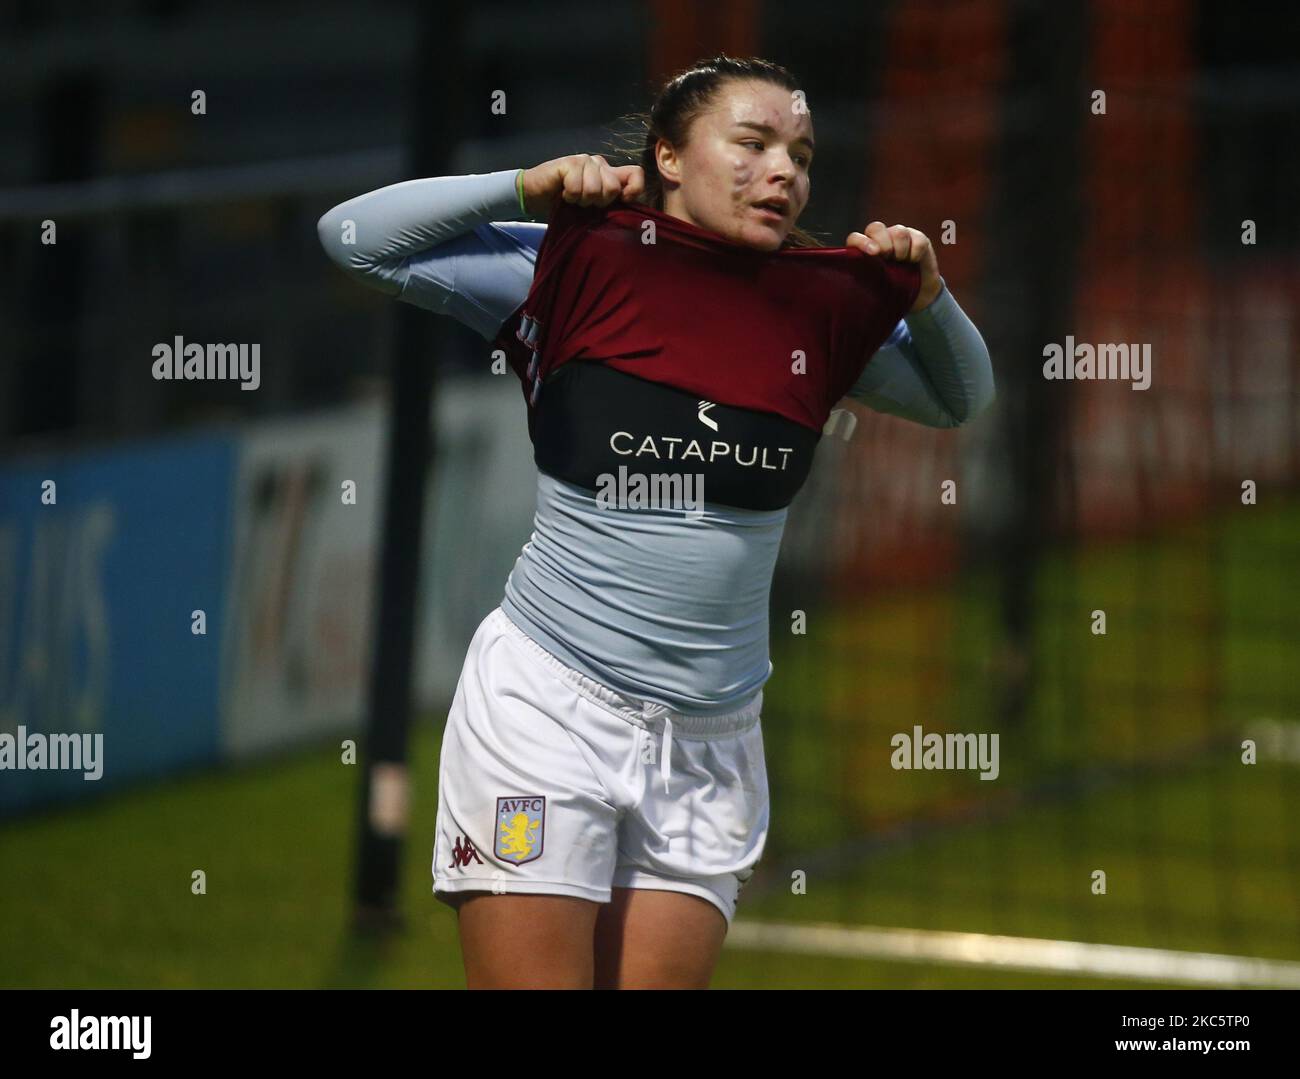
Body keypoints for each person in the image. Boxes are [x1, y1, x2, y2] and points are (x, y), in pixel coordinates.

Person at [317, 55, 995, 989]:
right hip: (549, 708)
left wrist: (930, 296)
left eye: (799, 154)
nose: (784, 172)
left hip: (711, 745)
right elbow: (354, 237)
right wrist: (520, 185)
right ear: (669, 157)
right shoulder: (573, 259)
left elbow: (962, 396)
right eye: (751, 144)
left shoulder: (820, 304)